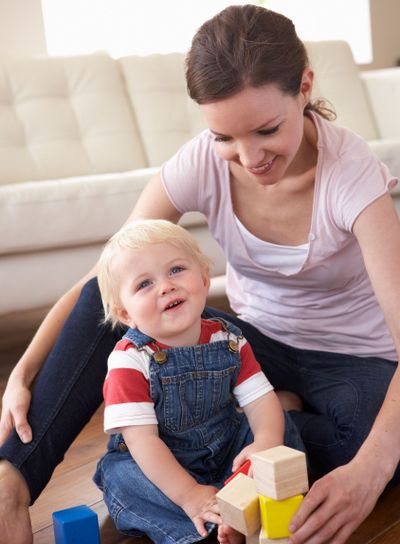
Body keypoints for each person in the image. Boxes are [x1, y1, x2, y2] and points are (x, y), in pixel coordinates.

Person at [0, 4, 400, 544]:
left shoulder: (353, 177)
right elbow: (105, 277)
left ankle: (257, 427)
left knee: (372, 451)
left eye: (266, 130)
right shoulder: (200, 162)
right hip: (252, 343)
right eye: (226, 138)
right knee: (127, 305)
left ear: (304, 87)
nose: (248, 156)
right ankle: (10, 480)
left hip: (354, 361)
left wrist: (370, 471)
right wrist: (22, 372)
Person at [93, 219, 285, 543]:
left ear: (205, 278)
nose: (165, 286)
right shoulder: (129, 360)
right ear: (126, 314)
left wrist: (266, 442)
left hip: (225, 450)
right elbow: (143, 442)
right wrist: (189, 494)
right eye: (144, 284)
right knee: (123, 478)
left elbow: (260, 400)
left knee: (279, 430)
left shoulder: (229, 340)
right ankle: (207, 521)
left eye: (176, 270)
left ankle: (239, 506)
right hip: (159, 464)